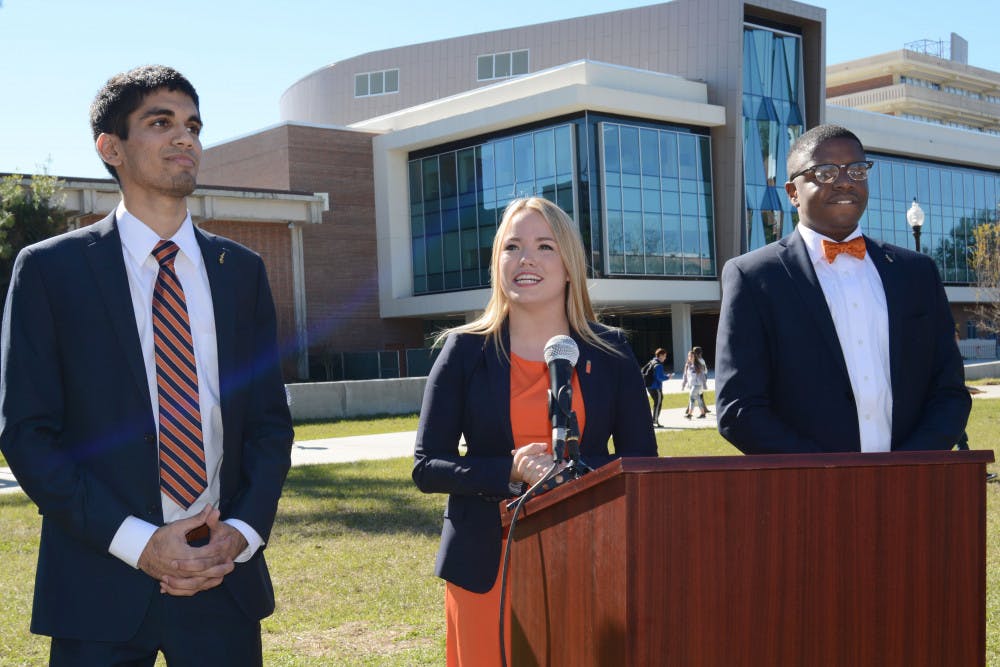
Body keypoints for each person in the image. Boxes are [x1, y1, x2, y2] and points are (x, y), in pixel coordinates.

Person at [0, 65, 293, 665]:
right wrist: (138, 543)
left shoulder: (241, 272)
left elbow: (268, 424)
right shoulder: (50, 272)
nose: (184, 137)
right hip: (97, 584)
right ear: (111, 147)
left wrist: (242, 533)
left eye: (192, 125)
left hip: (222, 579)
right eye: (160, 123)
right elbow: (28, 433)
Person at [412, 197, 657, 665]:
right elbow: (428, 467)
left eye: (544, 246)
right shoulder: (464, 351)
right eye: (511, 247)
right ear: (497, 265)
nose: (525, 259)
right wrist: (509, 470)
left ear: (569, 265)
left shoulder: (612, 352)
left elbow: (642, 464)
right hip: (486, 565)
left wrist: (572, 472)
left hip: (588, 560)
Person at [715, 124, 971, 454]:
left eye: (857, 169)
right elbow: (738, 409)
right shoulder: (753, 278)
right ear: (793, 192)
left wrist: (910, 466)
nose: (845, 180)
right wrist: (832, 477)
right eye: (825, 172)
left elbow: (949, 389)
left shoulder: (917, 272)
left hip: (912, 490)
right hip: (810, 494)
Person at [645, 347, 672, 427]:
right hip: (655, 387)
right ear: (660, 355)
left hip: (649, 386)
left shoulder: (652, 361)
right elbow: (659, 377)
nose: (665, 358)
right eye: (664, 356)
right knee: (658, 403)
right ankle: (654, 421)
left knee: (657, 403)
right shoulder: (658, 365)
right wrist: (668, 377)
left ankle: (655, 420)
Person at [680, 347, 708, 419]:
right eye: (689, 356)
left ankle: (689, 414)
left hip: (698, 385)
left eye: (692, 356)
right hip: (691, 385)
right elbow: (685, 376)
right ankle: (703, 414)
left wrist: (704, 385)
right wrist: (683, 385)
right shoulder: (687, 365)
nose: (690, 357)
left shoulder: (698, 365)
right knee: (698, 399)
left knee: (692, 397)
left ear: (695, 357)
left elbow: (703, 375)